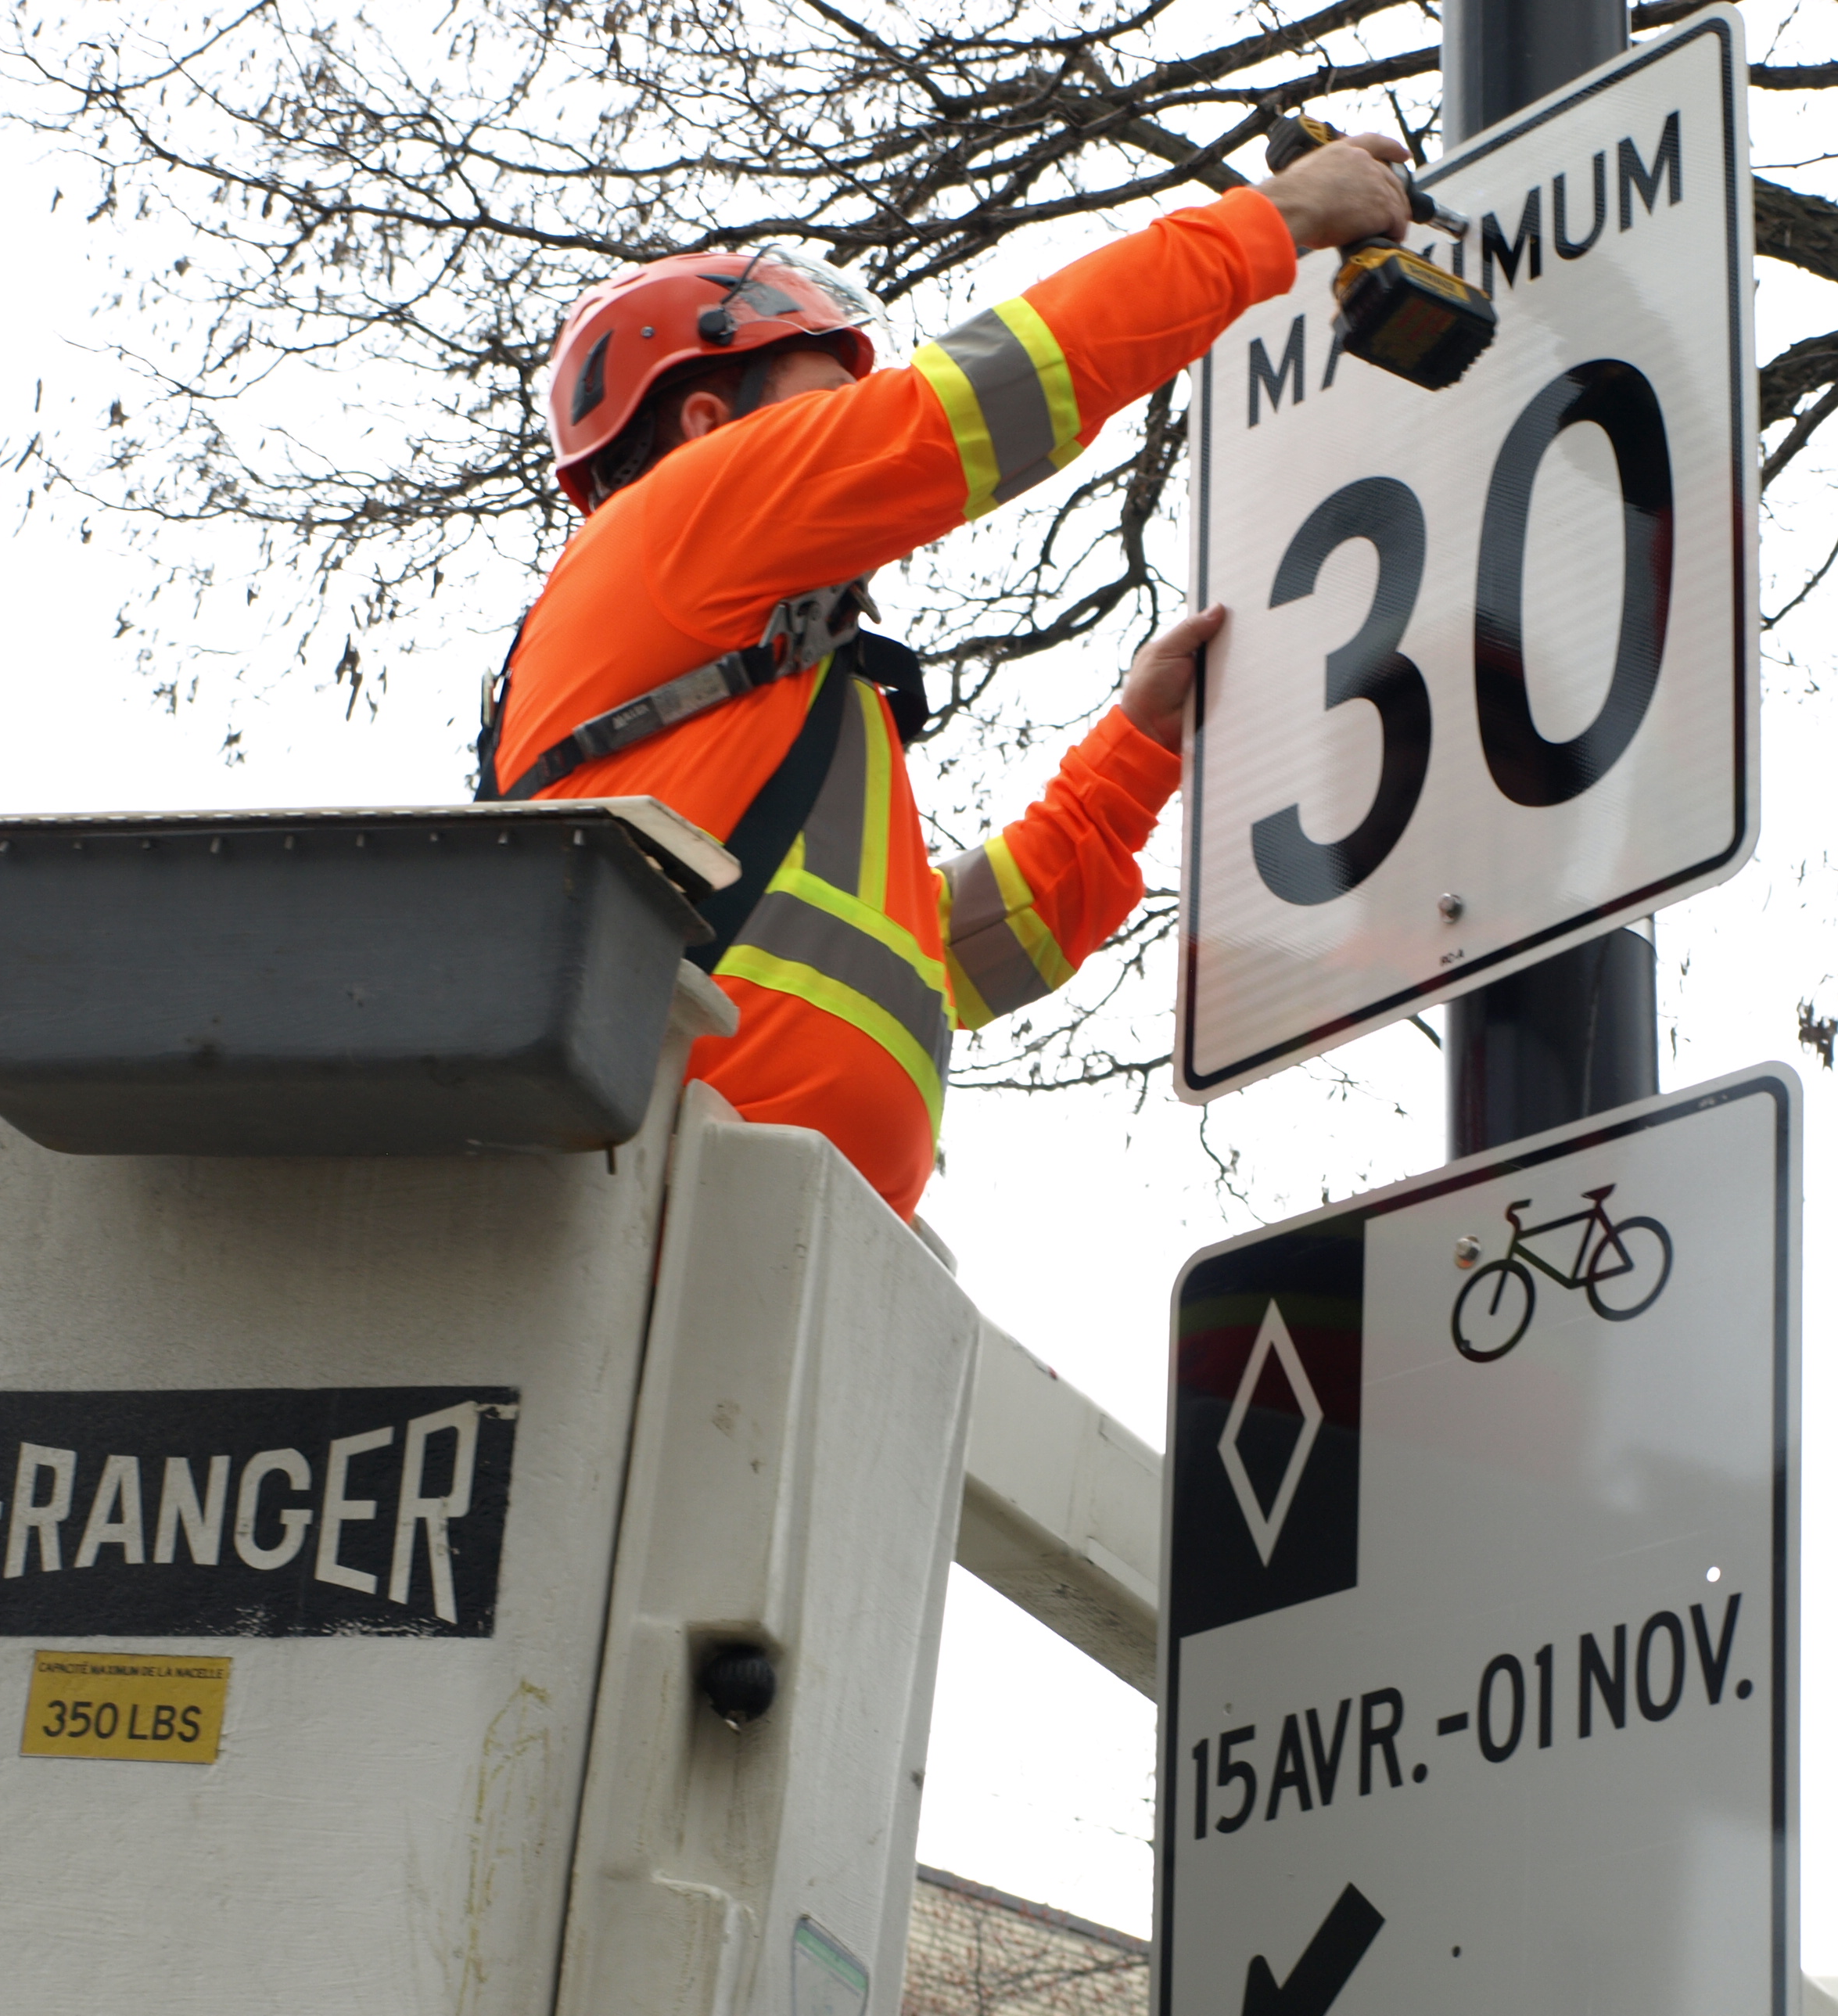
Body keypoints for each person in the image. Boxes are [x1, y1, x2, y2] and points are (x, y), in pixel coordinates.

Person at [482, 135, 1418, 1220]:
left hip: (746, 1225)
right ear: (707, 423)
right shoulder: (678, 516)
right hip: (663, 1199)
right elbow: (984, 397)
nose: (857, 417)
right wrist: (1279, 220)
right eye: (831, 397)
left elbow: (948, 961)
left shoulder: (757, 687)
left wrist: (1138, 751)